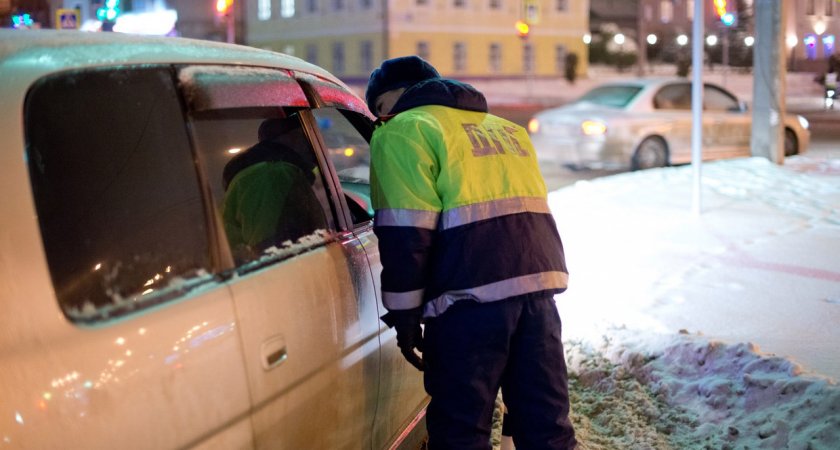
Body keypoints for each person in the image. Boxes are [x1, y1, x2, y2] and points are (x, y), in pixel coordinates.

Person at [365, 56, 576, 449]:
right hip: (538, 290)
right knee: (546, 424)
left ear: (394, 97)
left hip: (469, 299)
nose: (380, 120)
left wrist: (405, 315)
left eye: (378, 110)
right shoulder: (505, 130)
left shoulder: (404, 130)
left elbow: (405, 234)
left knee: (460, 430)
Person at [221, 116, 326, 261]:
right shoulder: (273, 175)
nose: (314, 145)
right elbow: (271, 253)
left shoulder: (264, 174)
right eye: (306, 136)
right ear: (293, 137)